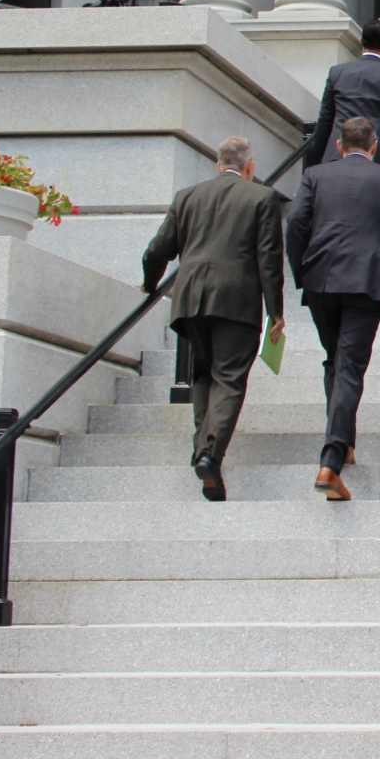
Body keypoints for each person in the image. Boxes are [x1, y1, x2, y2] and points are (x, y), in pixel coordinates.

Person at [139, 135, 286, 502]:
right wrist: (276, 312)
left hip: (190, 300)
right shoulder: (261, 197)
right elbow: (268, 259)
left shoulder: (187, 197)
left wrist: (149, 283)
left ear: (218, 164)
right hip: (236, 302)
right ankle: (209, 453)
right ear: (250, 166)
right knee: (230, 379)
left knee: (203, 373)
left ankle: (202, 447)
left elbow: (158, 249)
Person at [285, 116, 380, 501]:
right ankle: (332, 459)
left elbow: (295, 225)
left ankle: (344, 442)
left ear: (339, 146)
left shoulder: (316, 175)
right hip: (364, 283)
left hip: (321, 279)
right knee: (349, 366)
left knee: (335, 360)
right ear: (374, 147)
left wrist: (303, 269)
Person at [304, 16, 380, 174]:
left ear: (362, 41)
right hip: (377, 154)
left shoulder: (337, 72)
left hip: (338, 152)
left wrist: (315, 161)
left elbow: (326, 119)